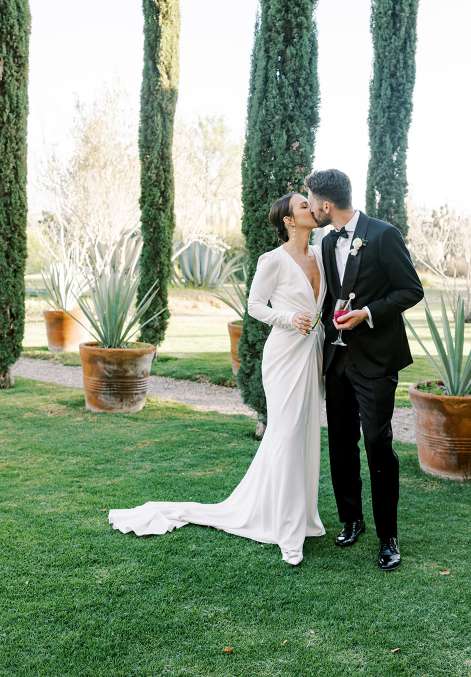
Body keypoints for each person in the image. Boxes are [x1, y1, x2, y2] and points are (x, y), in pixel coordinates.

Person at [109, 193, 326, 566]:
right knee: (287, 433)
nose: (311, 207)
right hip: (284, 354)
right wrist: (289, 318)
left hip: (313, 352)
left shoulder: (321, 255)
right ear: (289, 221)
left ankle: (301, 517)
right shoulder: (273, 260)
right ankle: (287, 533)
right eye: (303, 206)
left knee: (304, 433)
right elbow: (254, 306)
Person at [305, 168, 423, 571]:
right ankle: (351, 519)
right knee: (341, 442)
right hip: (336, 359)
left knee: (376, 442)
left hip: (376, 360)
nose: (311, 208)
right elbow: (330, 299)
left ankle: (388, 536)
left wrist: (368, 313)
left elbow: (411, 290)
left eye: (311, 201)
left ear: (326, 204)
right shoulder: (325, 241)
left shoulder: (384, 234)